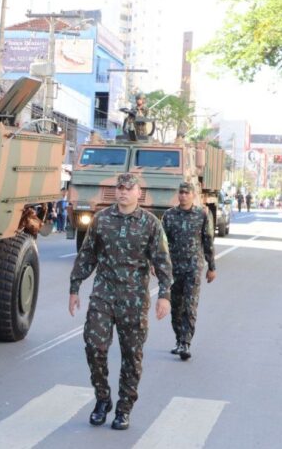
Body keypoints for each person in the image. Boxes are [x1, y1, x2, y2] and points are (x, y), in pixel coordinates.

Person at [68, 173, 173, 430]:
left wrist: (164, 296)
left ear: (139, 193)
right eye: (120, 187)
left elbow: (162, 260)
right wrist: (74, 287)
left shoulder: (150, 224)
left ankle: (124, 408)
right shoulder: (101, 220)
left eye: (129, 188)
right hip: (103, 294)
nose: (124, 191)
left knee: (131, 355)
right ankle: (103, 399)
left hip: (134, 299)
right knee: (94, 346)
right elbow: (87, 256)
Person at [161, 182, 216, 361]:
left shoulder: (202, 214)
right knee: (176, 307)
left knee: (190, 306)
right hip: (173, 268)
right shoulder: (169, 216)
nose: (183, 196)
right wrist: (156, 263)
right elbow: (161, 243)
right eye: (181, 193)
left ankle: (186, 342)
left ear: (193, 195)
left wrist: (211, 267)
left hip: (193, 267)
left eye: (187, 193)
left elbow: (208, 241)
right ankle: (179, 340)